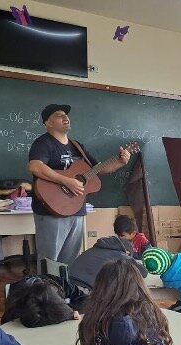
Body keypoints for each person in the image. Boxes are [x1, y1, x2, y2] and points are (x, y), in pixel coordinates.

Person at [27, 103, 130, 266]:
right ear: (48, 123)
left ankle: (66, 283)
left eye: (66, 115)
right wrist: (66, 181)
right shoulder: (43, 143)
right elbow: (35, 166)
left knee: (70, 260)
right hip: (51, 209)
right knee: (49, 261)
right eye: (59, 115)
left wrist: (120, 162)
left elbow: (98, 168)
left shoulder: (77, 146)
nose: (65, 117)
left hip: (76, 208)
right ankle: (48, 284)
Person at [69, 234, 147, 292]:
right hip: (85, 290)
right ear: (127, 252)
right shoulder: (120, 255)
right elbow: (143, 272)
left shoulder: (92, 250)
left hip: (68, 284)